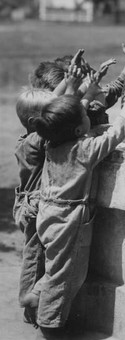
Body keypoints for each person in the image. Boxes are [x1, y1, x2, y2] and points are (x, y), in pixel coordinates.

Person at [22, 78, 125, 339]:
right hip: (69, 221)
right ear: (79, 130)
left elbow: (65, 118)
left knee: (57, 266)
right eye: (84, 114)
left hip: (47, 214)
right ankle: (50, 327)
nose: (87, 114)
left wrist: (87, 96)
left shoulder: (51, 142)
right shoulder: (85, 150)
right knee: (68, 275)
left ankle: (35, 294)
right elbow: (115, 135)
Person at [14, 88, 57, 326]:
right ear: (34, 122)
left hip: (29, 202)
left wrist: (71, 85)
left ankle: (31, 308)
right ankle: (28, 301)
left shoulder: (30, 135)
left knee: (37, 252)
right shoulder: (35, 141)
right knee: (35, 255)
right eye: (49, 115)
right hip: (33, 206)